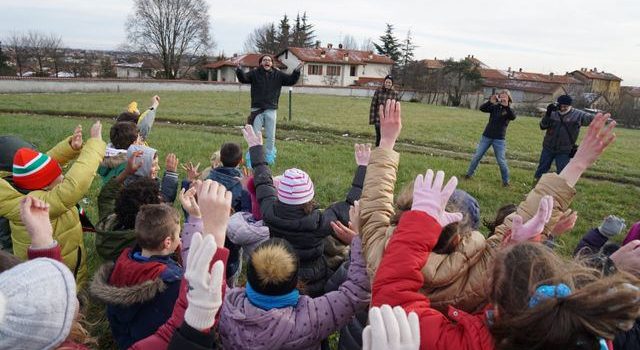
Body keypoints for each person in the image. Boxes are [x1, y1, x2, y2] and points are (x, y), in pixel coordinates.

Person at [360, 100, 578, 314]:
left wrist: (386, 143)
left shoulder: (379, 250)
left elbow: (374, 203)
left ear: (402, 218)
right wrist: (579, 162)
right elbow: (526, 215)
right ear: (458, 238)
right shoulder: (481, 273)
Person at [242, 125, 369, 297]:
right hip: (314, 282)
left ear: (279, 194)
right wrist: (363, 168)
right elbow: (350, 204)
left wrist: (256, 148)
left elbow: (263, 182)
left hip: (280, 275)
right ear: (310, 196)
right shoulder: (320, 222)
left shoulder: (269, 212)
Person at [218, 235, 370, 349]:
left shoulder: (225, 307)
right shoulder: (313, 319)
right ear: (295, 279)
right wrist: (359, 237)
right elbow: (356, 292)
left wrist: (200, 222)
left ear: (249, 275)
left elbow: (207, 276)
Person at [0, 121, 105, 286]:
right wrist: (94, 144)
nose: (63, 177)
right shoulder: (36, 205)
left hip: (64, 260)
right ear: (46, 186)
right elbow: (73, 186)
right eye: (60, 177)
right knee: (64, 294)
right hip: (55, 276)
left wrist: (70, 147)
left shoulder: (23, 187)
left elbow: (40, 167)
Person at [90, 204, 184, 349]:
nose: (180, 238)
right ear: (167, 242)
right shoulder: (170, 282)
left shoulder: (122, 262)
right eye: (179, 234)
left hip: (125, 339)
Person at [236, 55, 302, 165]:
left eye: (269, 60)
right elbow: (243, 78)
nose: (267, 62)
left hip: (271, 109)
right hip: (257, 109)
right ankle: (253, 159)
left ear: (272, 63)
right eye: (264, 60)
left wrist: (297, 70)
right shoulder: (254, 73)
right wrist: (239, 70)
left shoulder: (278, 74)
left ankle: (269, 158)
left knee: (271, 136)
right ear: (261, 63)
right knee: (255, 135)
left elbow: (290, 80)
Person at [534, 94, 594, 179]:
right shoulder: (552, 112)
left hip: (565, 151)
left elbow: (594, 119)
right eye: (560, 106)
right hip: (548, 148)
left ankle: (560, 191)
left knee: (563, 174)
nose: (562, 109)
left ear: (570, 106)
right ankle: (535, 189)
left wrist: (606, 120)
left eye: (565, 106)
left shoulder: (578, 115)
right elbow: (542, 126)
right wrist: (548, 113)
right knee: (541, 170)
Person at [465, 90, 516, 187]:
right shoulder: (495, 107)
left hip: (499, 139)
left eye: (505, 97)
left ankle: (506, 182)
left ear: (509, 98)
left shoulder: (509, 110)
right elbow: (482, 108)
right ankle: (468, 174)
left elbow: (513, 117)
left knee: (501, 161)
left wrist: (506, 106)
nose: (502, 98)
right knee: (477, 156)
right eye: (501, 96)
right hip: (486, 136)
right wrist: (490, 102)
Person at [369, 75, 399, 147]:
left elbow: (396, 108)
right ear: (384, 82)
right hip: (378, 119)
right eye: (386, 82)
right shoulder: (378, 91)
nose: (387, 84)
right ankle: (377, 153)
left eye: (389, 82)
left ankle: (384, 153)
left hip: (389, 120)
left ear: (392, 84)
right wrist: (372, 120)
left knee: (386, 138)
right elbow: (373, 105)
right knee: (379, 137)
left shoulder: (394, 93)